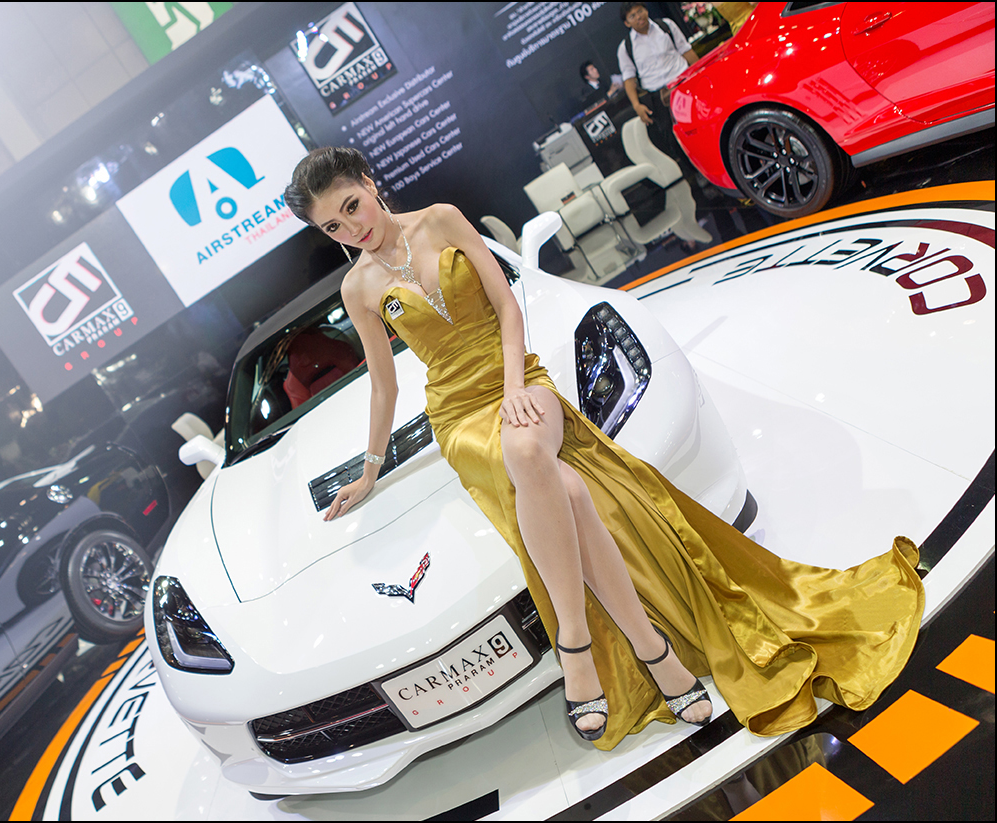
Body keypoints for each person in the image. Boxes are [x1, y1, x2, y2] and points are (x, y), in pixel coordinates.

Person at [284, 146, 924, 746]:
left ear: (369, 183)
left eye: (352, 206)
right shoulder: (358, 289)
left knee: (529, 453)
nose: (352, 228)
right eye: (334, 227)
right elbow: (384, 385)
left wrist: (515, 387)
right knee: (562, 486)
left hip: (516, 377)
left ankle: (575, 647)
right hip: (457, 414)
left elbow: (508, 306)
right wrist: (369, 472)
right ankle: (651, 648)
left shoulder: (442, 220)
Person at [616, 2, 697, 165]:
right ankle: (696, 173)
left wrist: (699, 74)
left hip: (684, 84)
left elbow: (686, 50)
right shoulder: (626, 48)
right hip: (659, 98)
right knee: (674, 139)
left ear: (646, 10)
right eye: (632, 16)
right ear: (627, 23)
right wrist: (637, 106)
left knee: (699, 125)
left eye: (640, 11)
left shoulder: (666, 26)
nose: (638, 17)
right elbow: (629, 80)